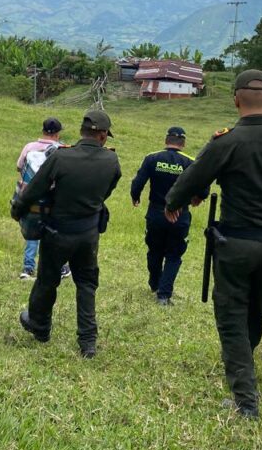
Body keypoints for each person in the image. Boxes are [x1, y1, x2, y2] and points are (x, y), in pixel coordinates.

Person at [165, 70, 262, 419]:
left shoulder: (225, 142)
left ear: (236, 100)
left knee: (233, 317)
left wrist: (174, 202)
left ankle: (245, 401)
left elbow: (191, 178)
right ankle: (243, 377)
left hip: (234, 245)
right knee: (254, 312)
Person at [12, 108, 121, 358]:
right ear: (103, 136)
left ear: (82, 132)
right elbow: (108, 190)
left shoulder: (61, 157)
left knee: (47, 280)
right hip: (88, 233)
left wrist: (18, 210)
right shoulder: (111, 160)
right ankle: (88, 342)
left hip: (57, 231)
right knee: (86, 284)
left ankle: (40, 326)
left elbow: (33, 190)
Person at [130, 126, 208, 305]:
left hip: (156, 212)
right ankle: (164, 295)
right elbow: (204, 186)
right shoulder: (190, 162)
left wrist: (135, 197)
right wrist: (199, 197)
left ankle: (154, 283)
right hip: (180, 214)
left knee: (154, 250)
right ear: (184, 143)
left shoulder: (152, 158)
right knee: (174, 255)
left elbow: (138, 182)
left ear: (166, 141)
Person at [14, 117, 70, 280]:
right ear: (58, 134)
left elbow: (19, 166)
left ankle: (28, 268)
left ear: (43, 130)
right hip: (54, 197)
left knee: (33, 230)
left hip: (31, 196)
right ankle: (60, 267)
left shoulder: (30, 147)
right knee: (55, 232)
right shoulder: (61, 149)